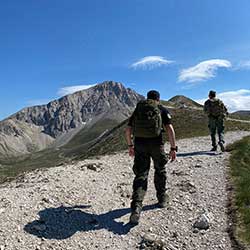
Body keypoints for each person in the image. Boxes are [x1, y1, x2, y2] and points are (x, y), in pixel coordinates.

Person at [125, 90, 177, 225]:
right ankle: (162, 199)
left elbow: (128, 130)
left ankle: (136, 207)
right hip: (156, 144)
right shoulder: (161, 109)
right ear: (158, 99)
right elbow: (170, 129)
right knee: (160, 170)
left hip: (140, 144)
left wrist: (130, 146)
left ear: (147, 98)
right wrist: (173, 148)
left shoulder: (138, 110)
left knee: (141, 174)